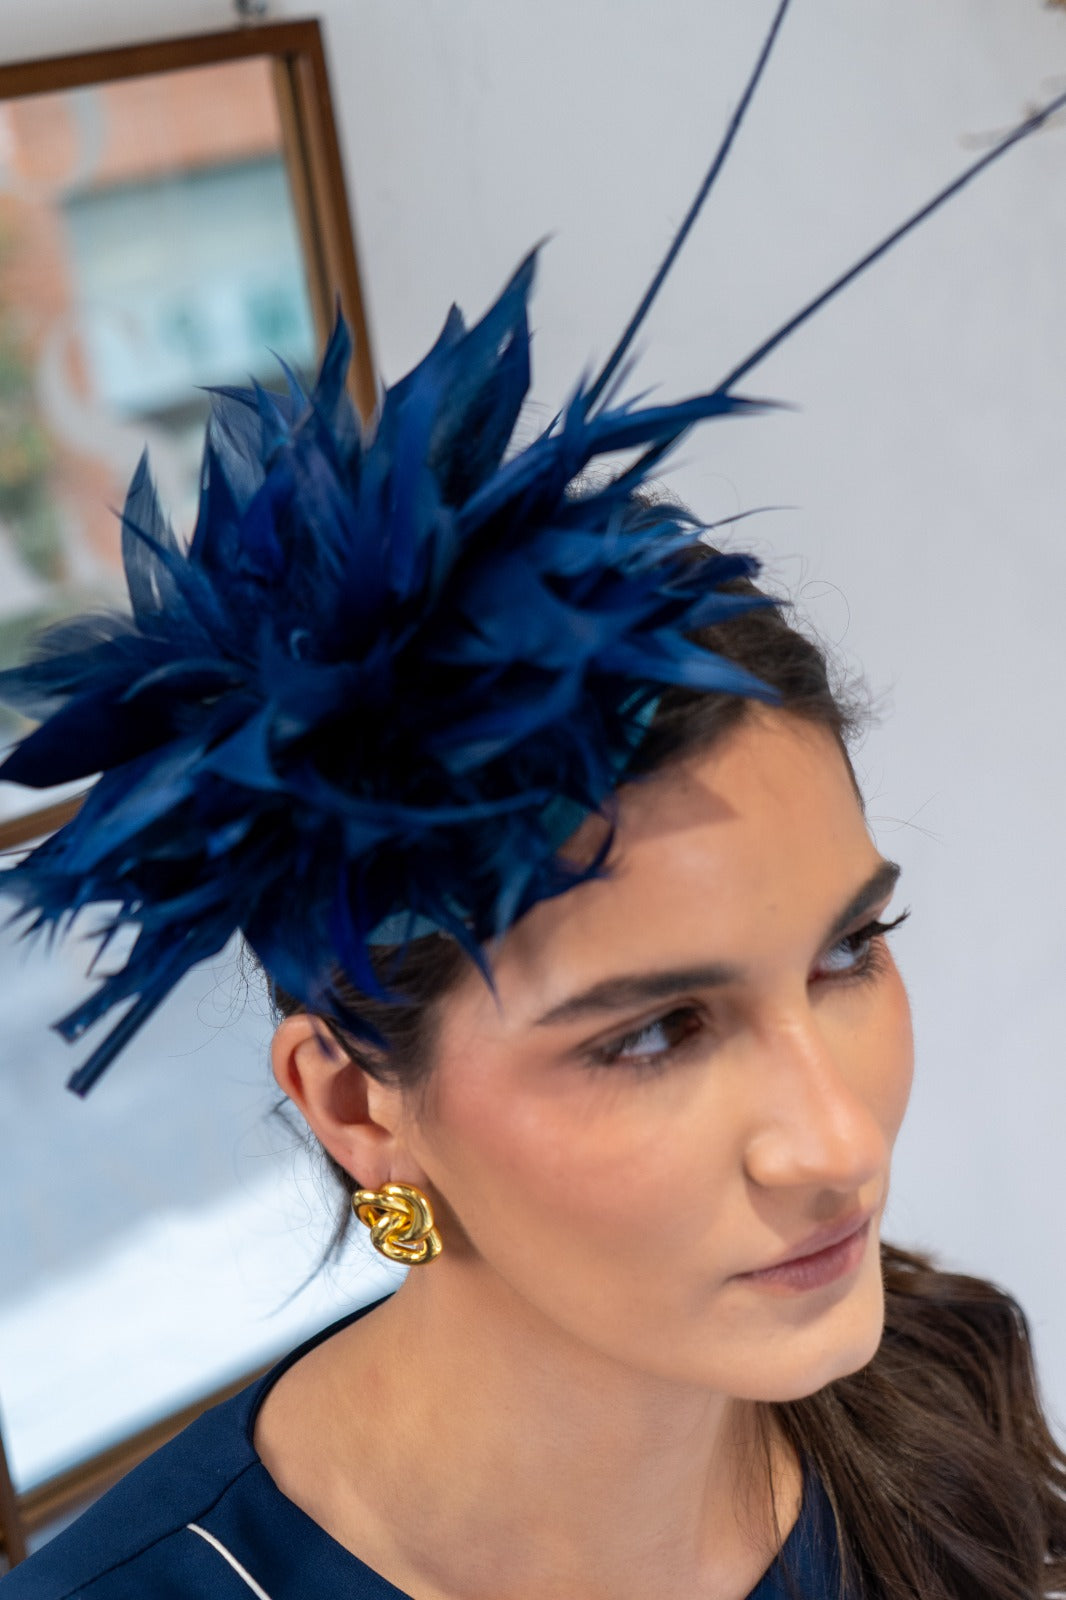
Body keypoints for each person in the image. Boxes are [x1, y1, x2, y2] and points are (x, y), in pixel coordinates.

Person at [3, 5, 1066, 1596]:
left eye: (848, 952)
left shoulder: (928, 1391)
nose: (837, 1145)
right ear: (356, 1108)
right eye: (653, 1033)